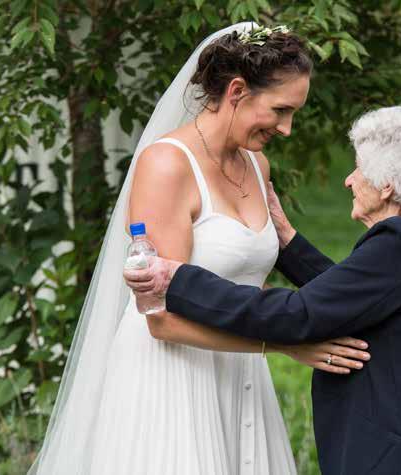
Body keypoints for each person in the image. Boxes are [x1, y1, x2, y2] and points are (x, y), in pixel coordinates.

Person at [29, 23, 370, 475]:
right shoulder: (167, 165)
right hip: (173, 377)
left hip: (241, 373)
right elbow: (162, 319)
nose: (287, 129)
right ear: (236, 91)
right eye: (280, 110)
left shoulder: (257, 163)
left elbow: (250, 284)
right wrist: (286, 344)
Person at [125, 106, 401, 475]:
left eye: (359, 169)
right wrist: (287, 241)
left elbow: (296, 315)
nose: (349, 180)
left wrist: (179, 278)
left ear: (387, 187)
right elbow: (353, 297)